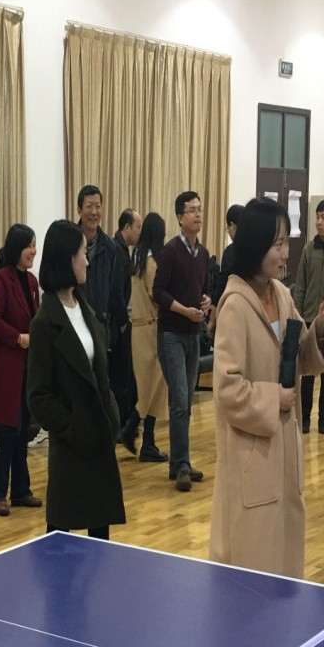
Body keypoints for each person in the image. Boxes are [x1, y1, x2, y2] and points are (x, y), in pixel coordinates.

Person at [211, 198, 324, 578]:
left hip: (284, 452)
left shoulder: (281, 295)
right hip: (252, 456)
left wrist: (320, 327)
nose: (285, 254)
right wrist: (273, 399)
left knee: (285, 565)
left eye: (286, 243)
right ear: (255, 246)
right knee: (253, 571)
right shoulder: (235, 306)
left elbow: (301, 358)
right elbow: (228, 390)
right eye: (278, 244)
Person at [27, 220, 126, 539]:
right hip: (72, 447)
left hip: (100, 439)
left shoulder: (85, 310)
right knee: (61, 543)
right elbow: (38, 397)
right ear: (66, 259)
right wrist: (73, 427)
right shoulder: (44, 323)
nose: (87, 261)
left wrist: (110, 414)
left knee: (100, 543)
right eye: (82, 253)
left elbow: (100, 375)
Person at [153, 191, 211, 491]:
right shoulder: (170, 251)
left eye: (200, 209)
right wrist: (183, 310)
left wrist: (206, 301)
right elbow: (158, 292)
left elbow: (205, 288)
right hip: (172, 335)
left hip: (193, 335)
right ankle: (182, 465)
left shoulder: (203, 253)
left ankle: (179, 463)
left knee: (186, 403)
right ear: (179, 217)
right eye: (191, 210)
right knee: (178, 401)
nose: (197, 215)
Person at [0, 224, 42, 516]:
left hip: (27, 368)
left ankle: (21, 491)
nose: (33, 251)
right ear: (17, 248)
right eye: (29, 245)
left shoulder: (31, 281)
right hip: (7, 367)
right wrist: (18, 338)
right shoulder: (2, 279)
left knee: (22, 432)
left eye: (34, 245)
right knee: (9, 432)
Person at [292, 199, 324, 435]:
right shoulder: (308, 250)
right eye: (317, 217)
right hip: (308, 319)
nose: (319, 222)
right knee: (307, 372)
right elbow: (301, 285)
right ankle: (305, 418)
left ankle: (323, 419)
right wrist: (297, 315)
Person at [124, 213, 170, 464]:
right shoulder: (151, 265)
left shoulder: (137, 260)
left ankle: (143, 438)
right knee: (154, 386)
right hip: (152, 329)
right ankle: (138, 433)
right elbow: (158, 296)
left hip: (138, 328)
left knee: (148, 385)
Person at [75, 185, 128, 365]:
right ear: (79, 210)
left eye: (98, 207)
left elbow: (113, 289)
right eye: (89, 206)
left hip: (99, 325)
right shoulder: (69, 241)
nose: (94, 212)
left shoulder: (110, 247)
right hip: (74, 323)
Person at [110, 208, 141, 438]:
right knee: (120, 377)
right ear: (127, 227)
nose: (139, 232)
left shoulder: (123, 250)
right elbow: (115, 291)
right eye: (137, 227)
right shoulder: (117, 252)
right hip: (117, 325)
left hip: (122, 323)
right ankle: (120, 425)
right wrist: (123, 323)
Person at [215, 203, 245, 304]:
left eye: (227, 227)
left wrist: (215, 305)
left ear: (233, 226)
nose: (227, 231)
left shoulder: (230, 251)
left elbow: (223, 283)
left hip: (233, 303)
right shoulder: (257, 248)